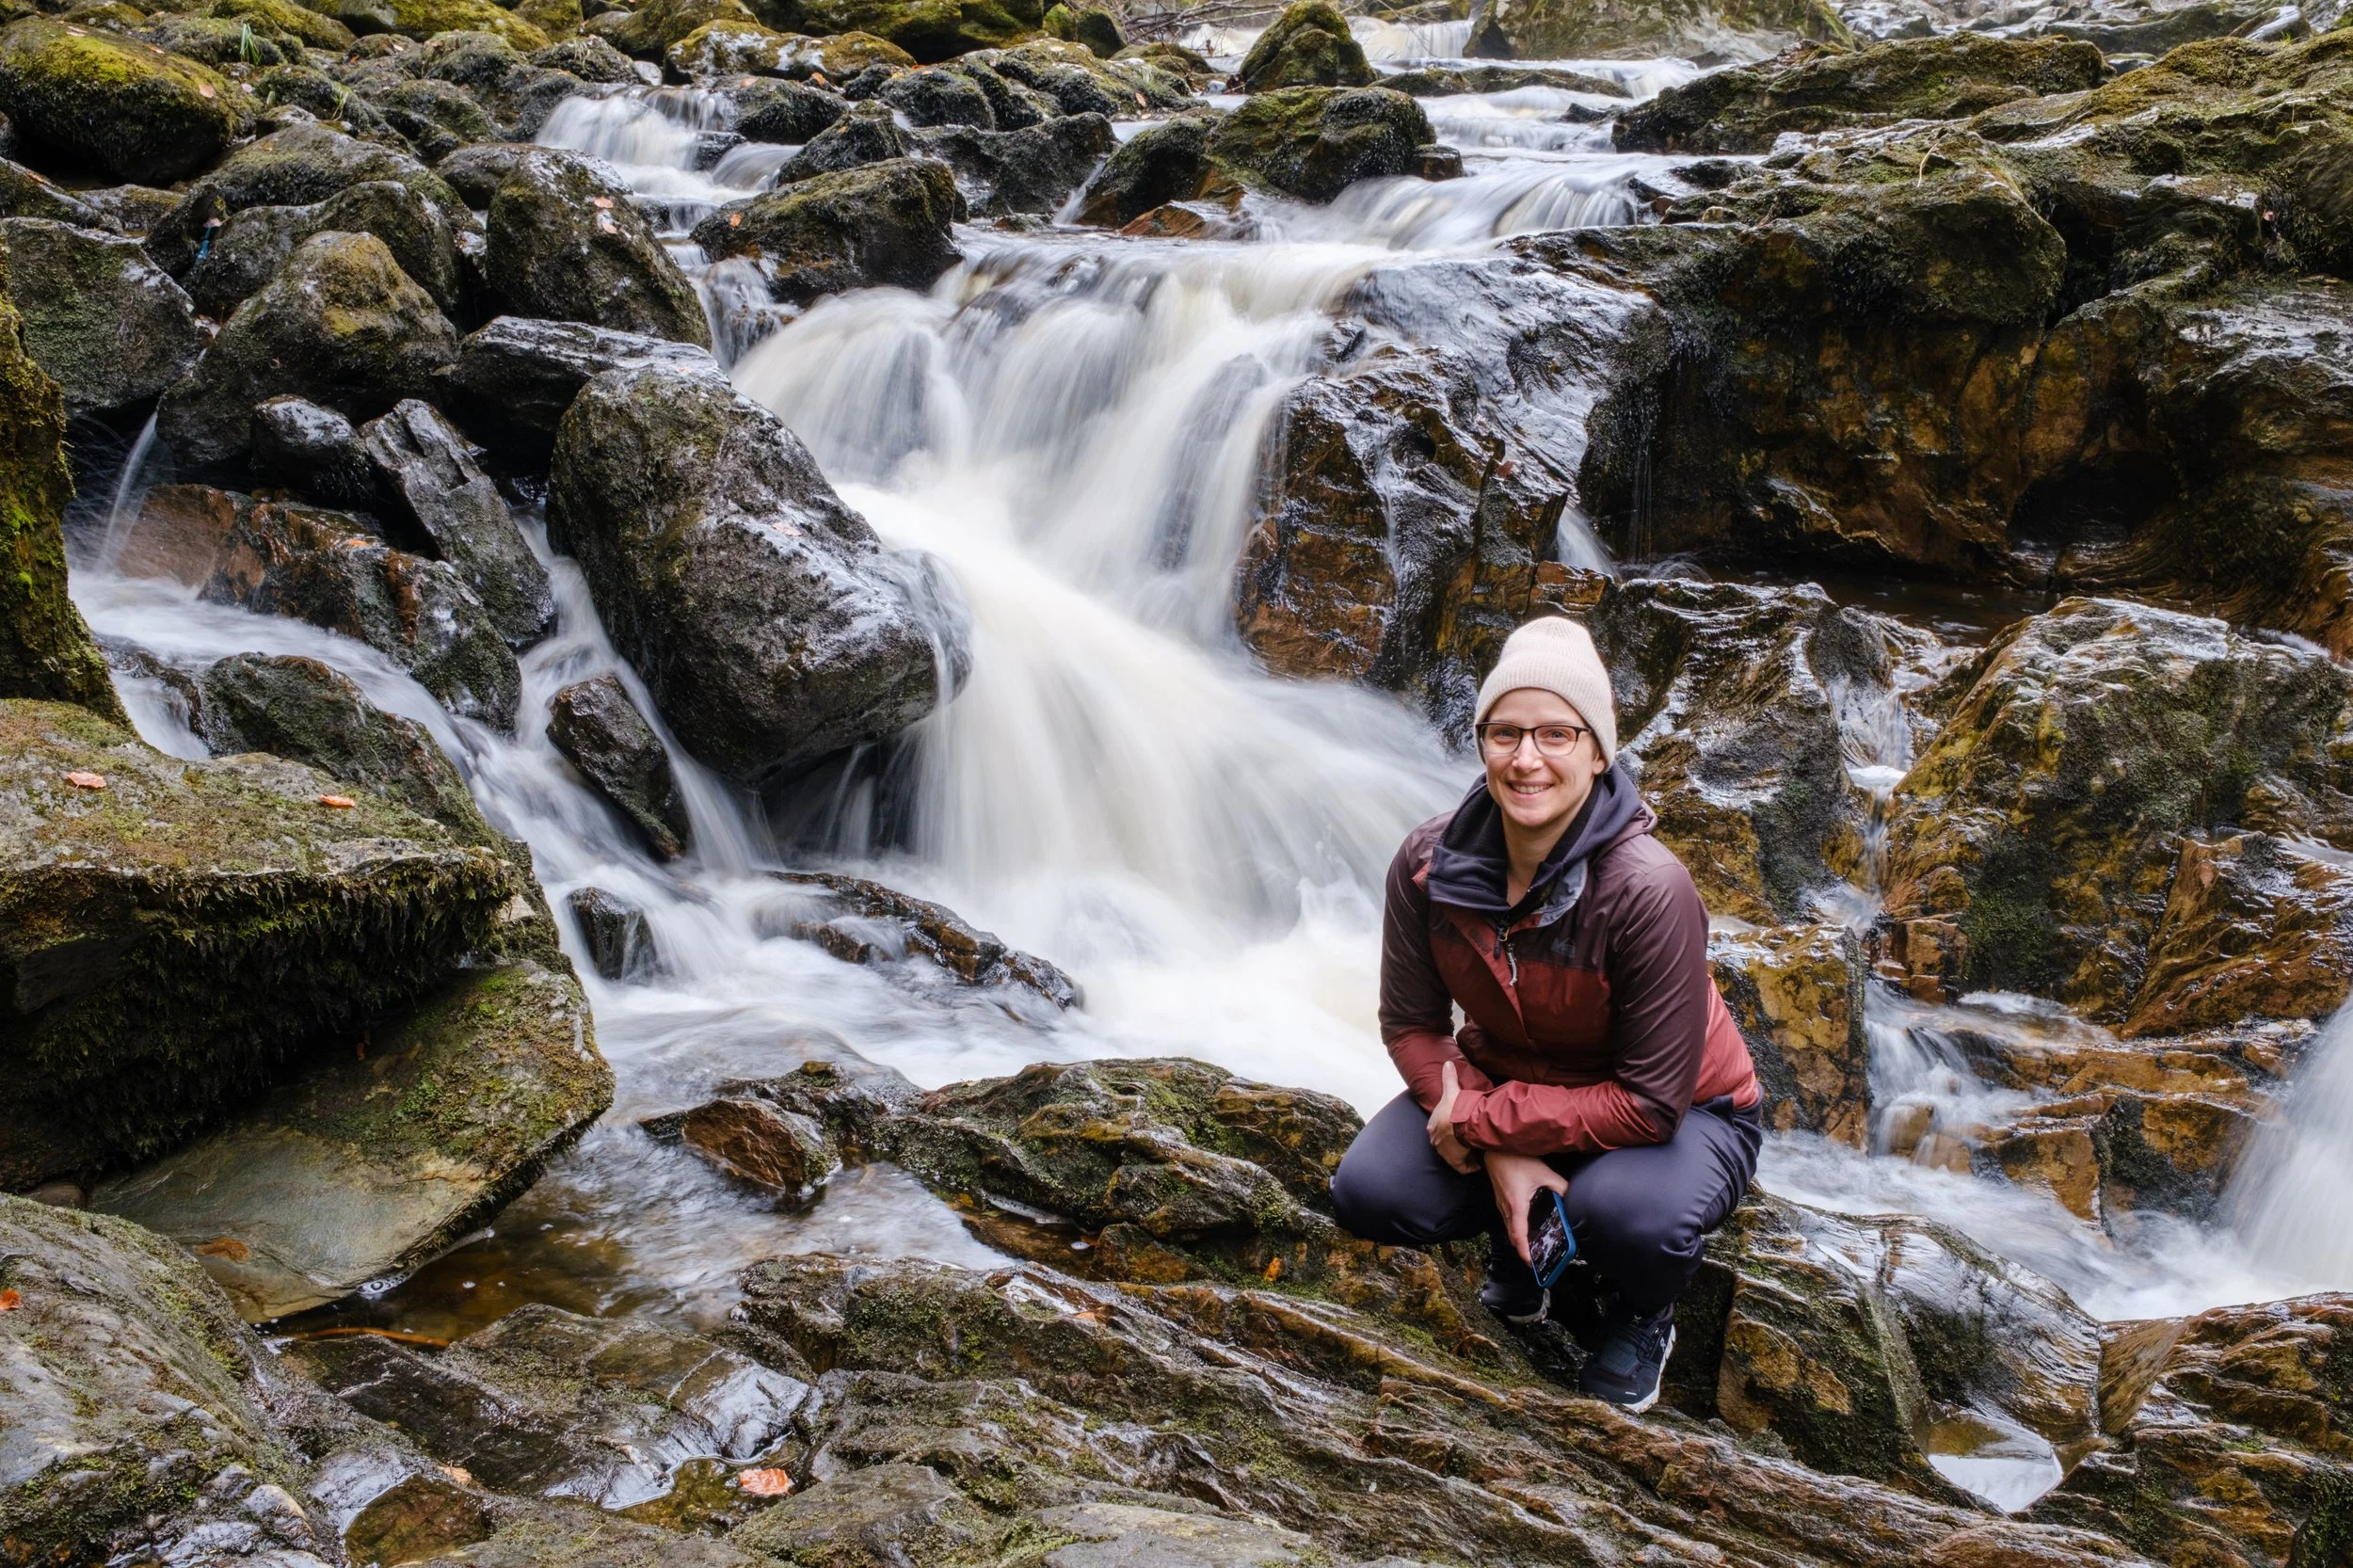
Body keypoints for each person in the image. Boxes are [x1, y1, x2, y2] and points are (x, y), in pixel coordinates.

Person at [1329, 615, 1763, 1412]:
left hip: (1687, 1110)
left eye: (1557, 734)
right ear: (1483, 744)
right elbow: (1412, 1026)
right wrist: (1493, 1140)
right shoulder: (1426, 866)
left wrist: (1485, 1125)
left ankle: (1644, 1309)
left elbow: (1649, 1103)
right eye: (1506, 733)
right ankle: (1525, 1246)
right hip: (1514, 1082)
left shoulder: (1649, 891)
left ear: (1598, 754)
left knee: (1628, 1218)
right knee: (1372, 1190)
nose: (1527, 758)